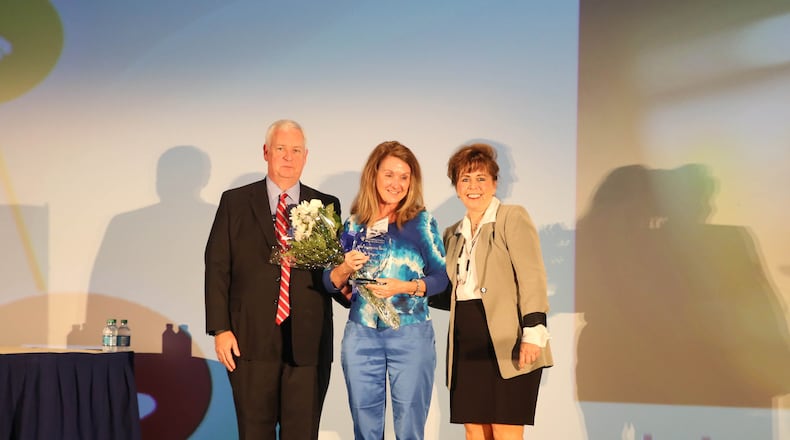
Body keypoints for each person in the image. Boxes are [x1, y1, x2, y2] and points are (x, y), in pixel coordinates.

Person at [204, 119, 346, 439]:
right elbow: (216, 267)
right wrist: (221, 329)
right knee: (255, 432)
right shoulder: (235, 202)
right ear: (266, 152)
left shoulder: (325, 205)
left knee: (302, 433)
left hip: (309, 344)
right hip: (248, 340)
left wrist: (353, 285)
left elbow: (332, 272)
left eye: (296, 150)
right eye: (281, 149)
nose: (288, 157)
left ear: (306, 156)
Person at [323, 141, 449, 440]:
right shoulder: (355, 222)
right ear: (374, 174)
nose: (396, 183)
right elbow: (330, 283)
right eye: (389, 174)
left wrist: (406, 287)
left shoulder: (421, 221)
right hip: (361, 334)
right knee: (365, 428)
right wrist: (344, 269)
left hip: (410, 333)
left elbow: (441, 278)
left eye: (404, 177)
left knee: (409, 426)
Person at [431, 143, 553, 440]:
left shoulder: (512, 217)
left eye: (481, 178)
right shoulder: (451, 233)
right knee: (474, 429)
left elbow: (532, 276)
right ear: (456, 187)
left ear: (495, 183)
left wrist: (534, 331)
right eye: (465, 179)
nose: (473, 187)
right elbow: (443, 289)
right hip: (465, 338)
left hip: (506, 339)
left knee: (504, 428)